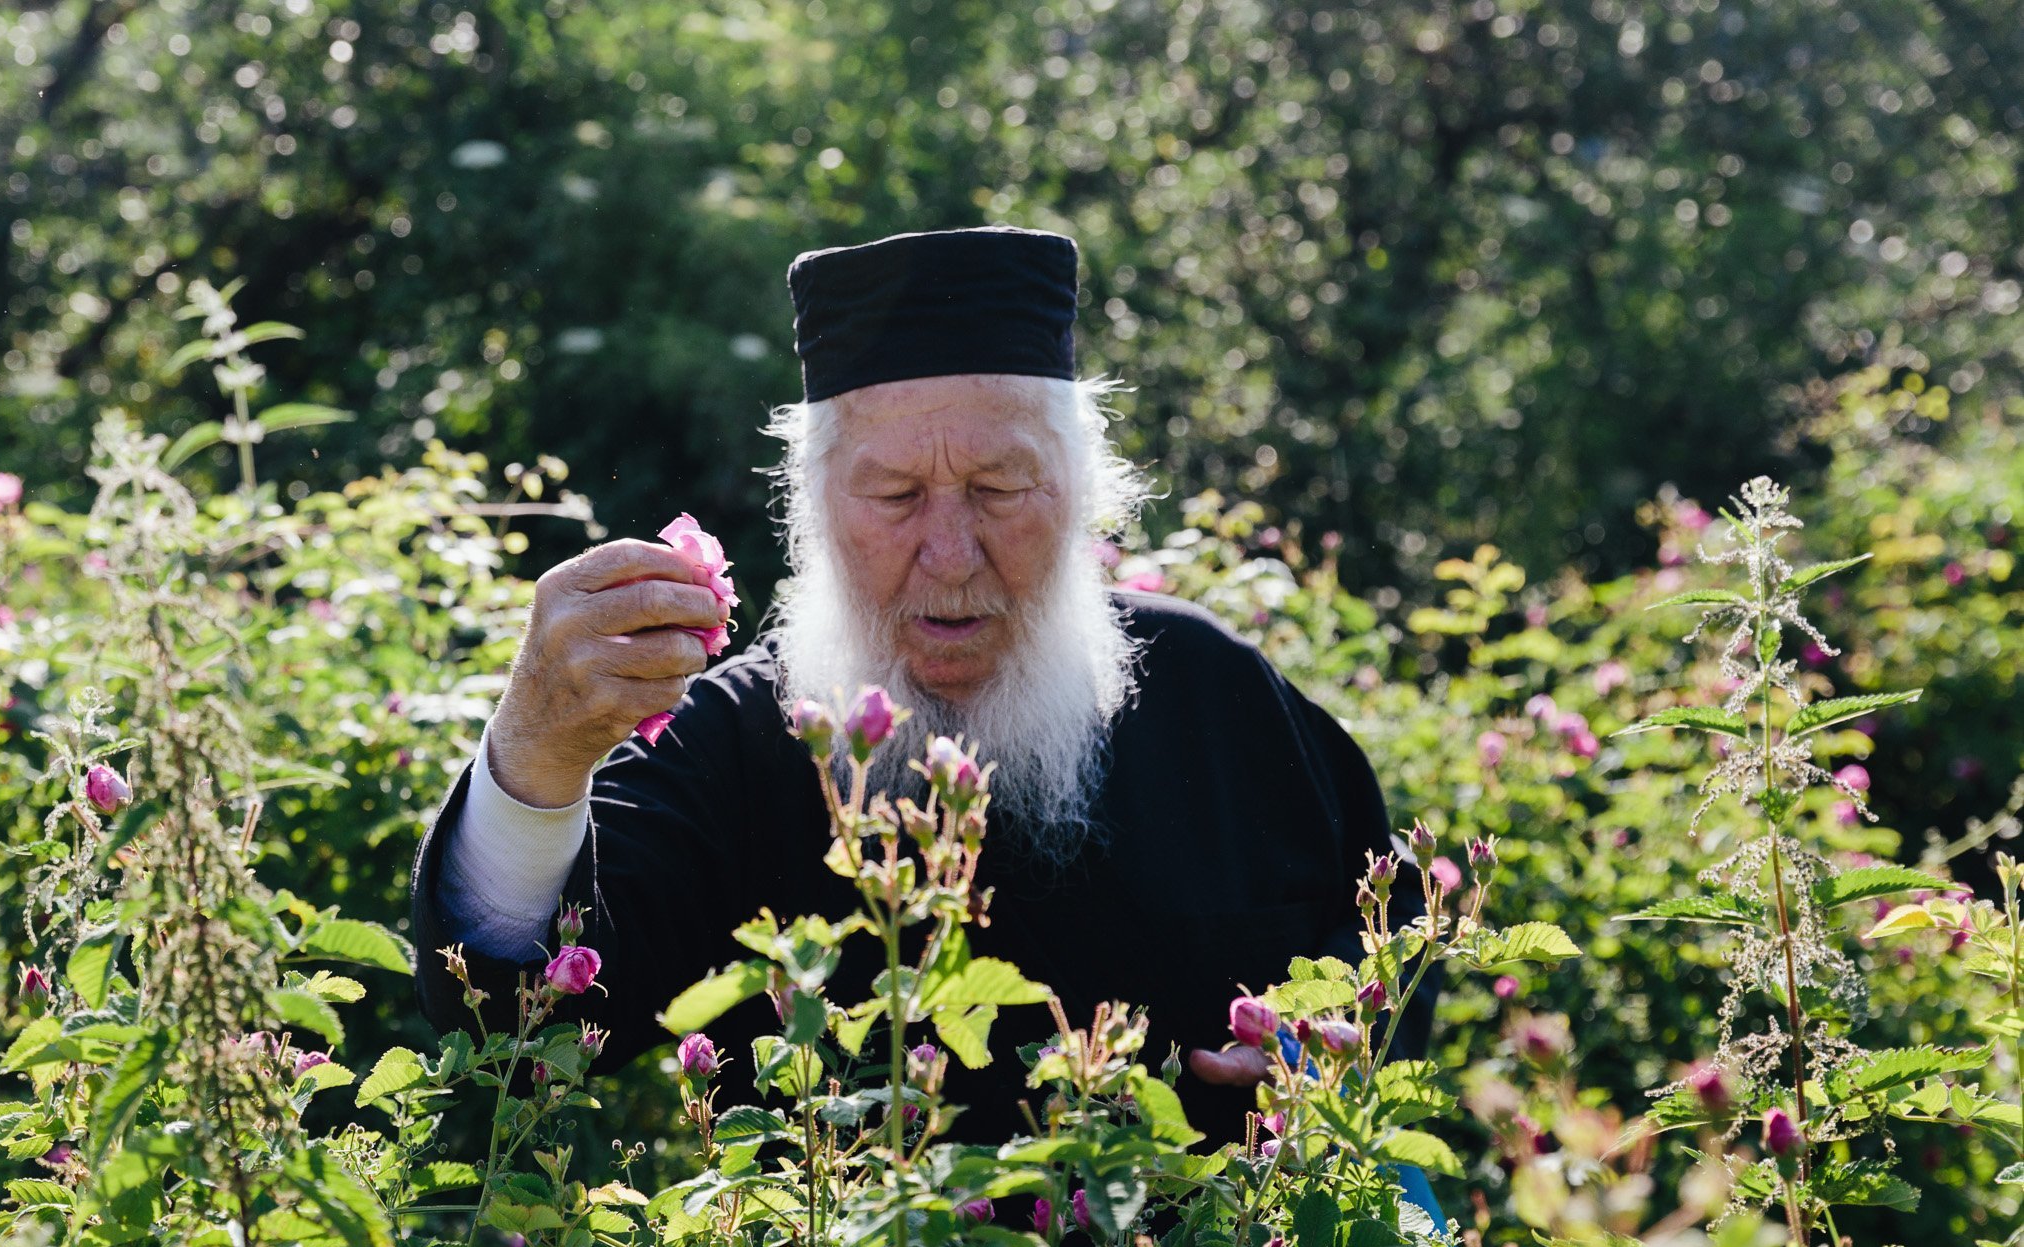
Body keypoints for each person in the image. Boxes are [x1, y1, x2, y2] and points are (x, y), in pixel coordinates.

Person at [411, 227, 1421, 1145]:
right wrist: (538, 748)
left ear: (1080, 495)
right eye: (894, 495)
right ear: (814, 509)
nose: (948, 551)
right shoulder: (739, 740)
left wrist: (1320, 1037)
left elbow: (1387, 922)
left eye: (997, 490)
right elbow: (515, 1024)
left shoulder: (1212, 689)